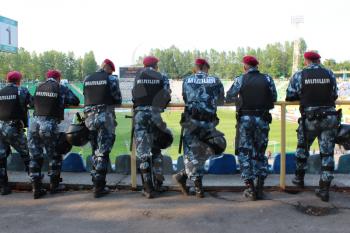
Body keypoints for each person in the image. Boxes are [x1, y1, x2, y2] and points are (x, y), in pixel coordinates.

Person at [286, 51, 339, 202]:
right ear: (319, 60)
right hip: (329, 117)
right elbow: (334, 94)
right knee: (327, 154)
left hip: (309, 119)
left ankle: (298, 180)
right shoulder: (329, 73)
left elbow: (290, 95)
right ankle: (324, 189)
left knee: (302, 150)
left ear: (306, 61)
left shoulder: (300, 74)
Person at [226, 55, 277, 200]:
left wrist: (240, 99)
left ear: (245, 66)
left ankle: (250, 188)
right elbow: (273, 97)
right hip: (262, 119)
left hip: (246, 121)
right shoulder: (267, 79)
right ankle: (260, 186)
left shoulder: (241, 79)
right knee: (260, 153)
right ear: (257, 66)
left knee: (245, 152)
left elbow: (229, 96)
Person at [173, 58, 225, 198]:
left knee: (193, 154)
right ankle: (196, 186)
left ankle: (187, 179)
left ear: (196, 67)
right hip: (208, 124)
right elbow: (221, 100)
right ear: (206, 67)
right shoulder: (215, 80)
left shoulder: (187, 80)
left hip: (192, 123)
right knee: (204, 153)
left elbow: (185, 98)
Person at [28, 70, 80, 199]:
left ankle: (36, 188)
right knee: (55, 155)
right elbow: (75, 100)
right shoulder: (60, 87)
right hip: (48, 125)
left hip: (34, 125)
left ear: (47, 77)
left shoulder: (39, 86)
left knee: (35, 157)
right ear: (58, 78)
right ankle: (54, 185)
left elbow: (32, 103)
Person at [132, 55, 172, 199]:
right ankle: (159, 184)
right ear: (155, 65)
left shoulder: (138, 76)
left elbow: (134, 95)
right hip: (155, 115)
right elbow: (167, 94)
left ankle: (147, 189)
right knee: (156, 150)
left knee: (143, 154)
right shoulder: (161, 76)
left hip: (140, 114)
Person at [83, 59, 122, 198]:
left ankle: (95, 182)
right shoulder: (111, 78)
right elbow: (118, 99)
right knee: (103, 152)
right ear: (108, 67)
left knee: (95, 151)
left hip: (89, 119)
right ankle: (99, 188)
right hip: (105, 118)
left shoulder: (87, 78)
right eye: (111, 70)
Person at [0, 71, 32, 195]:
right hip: (14, 128)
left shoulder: (1, 91)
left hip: (0, 128)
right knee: (28, 155)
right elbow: (33, 102)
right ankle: (36, 184)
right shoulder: (22, 91)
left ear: (7, 80)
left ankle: (3, 187)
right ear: (19, 81)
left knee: (1, 159)